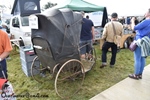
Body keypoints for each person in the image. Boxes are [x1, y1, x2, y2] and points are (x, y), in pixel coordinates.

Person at [128, 8, 150, 80]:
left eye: (146, 12)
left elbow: (134, 28)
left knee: (137, 58)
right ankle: (140, 74)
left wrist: (132, 21)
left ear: (149, 13)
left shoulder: (146, 21)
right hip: (146, 42)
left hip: (140, 41)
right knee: (143, 58)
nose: (144, 13)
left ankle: (136, 75)